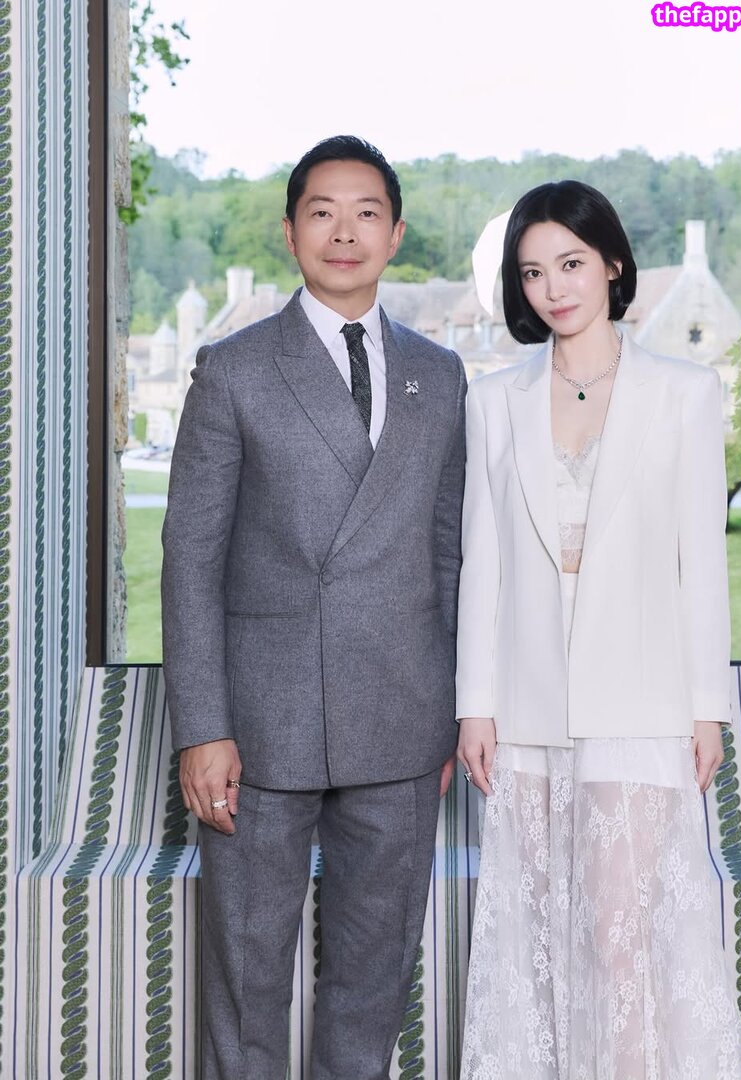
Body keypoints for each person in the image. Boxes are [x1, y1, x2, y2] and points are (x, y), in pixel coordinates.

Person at [161, 135, 466, 1080]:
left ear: (396, 234)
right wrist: (202, 728)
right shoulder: (235, 368)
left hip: (402, 719)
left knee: (373, 987)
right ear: (291, 231)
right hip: (262, 725)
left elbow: (450, 552)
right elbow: (190, 560)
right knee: (246, 985)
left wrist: (454, 710)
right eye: (322, 212)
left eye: (366, 213)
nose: (345, 233)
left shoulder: (439, 373)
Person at [455, 180, 741, 1078]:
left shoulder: (685, 393)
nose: (554, 288)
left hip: (643, 704)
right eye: (533, 272)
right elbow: (482, 562)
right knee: (539, 941)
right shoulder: (494, 400)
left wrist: (708, 707)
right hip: (527, 711)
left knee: (620, 943)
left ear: (614, 263)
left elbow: (702, 561)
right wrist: (475, 705)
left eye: (572, 263)